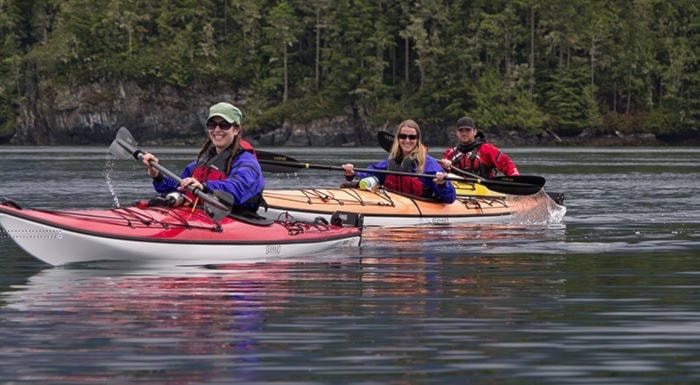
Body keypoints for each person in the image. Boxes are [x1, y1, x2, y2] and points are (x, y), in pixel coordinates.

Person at [142, 102, 265, 214]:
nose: (217, 130)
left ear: (236, 130)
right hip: (204, 216)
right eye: (212, 125)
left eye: (224, 125)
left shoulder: (247, 162)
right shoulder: (204, 160)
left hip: (237, 219)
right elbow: (179, 185)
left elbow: (237, 188)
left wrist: (204, 186)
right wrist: (156, 174)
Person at [342, 119, 456, 203]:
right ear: (398, 139)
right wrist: (352, 173)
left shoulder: (429, 164)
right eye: (403, 136)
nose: (407, 141)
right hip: (394, 204)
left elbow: (450, 198)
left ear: (417, 140)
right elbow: (371, 172)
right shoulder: (391, 161)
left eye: (412, 137)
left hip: (421, 209)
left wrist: (442, 184)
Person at [440, 116, 520, 178]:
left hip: (484, 191)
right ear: (457, 133)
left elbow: (507, 164)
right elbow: (439, 173)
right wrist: (445, 169)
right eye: (461, 130)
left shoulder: (487, 149)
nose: (464, 133)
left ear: (474, 132)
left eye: (467, 130)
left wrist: (515, 178)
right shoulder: (450, 153)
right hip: (459, 191)